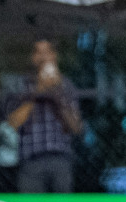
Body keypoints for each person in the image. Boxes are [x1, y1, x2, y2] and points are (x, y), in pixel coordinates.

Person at [7, 39, 81, 193]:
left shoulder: (66, 85)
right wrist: (38, 91)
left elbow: (76, 127)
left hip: (61, 159)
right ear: (32, 57)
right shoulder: (21, 86)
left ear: (54, 56)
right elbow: (13, 123)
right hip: (30, 160)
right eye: (38, 52)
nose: (43, 57)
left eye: (47, 52)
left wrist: (57, 95)